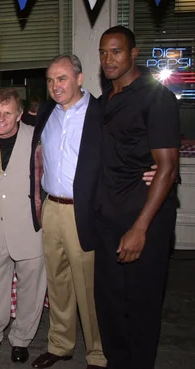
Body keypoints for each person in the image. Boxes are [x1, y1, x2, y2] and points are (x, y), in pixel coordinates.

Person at [95, 26, 180, 369]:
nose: (108, 59)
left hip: (144, 220)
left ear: (133, 53)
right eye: (103, 52)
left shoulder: (155, 96)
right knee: (111, 304)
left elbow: (168, 167)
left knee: (142, 306)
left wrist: (140, 228)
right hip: (108, 218)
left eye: (116, 51)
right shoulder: (103, 102)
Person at [29, 55, 107, 369]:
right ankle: (61, 345)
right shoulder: (46, 112)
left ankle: (98, 354)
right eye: (50, 80)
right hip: (52, 208)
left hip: (83, 212)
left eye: (61, 78)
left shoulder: (100, 112)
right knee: (57, 282)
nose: (55, 86)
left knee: (88, 286)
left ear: (79, 78)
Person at [0, 88, 46, 363]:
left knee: (31, 288)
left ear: (19, 114)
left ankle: (21, 339)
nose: (1, 118)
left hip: (29, 226)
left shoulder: (37, 139)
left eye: (7, 113)